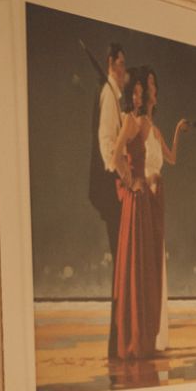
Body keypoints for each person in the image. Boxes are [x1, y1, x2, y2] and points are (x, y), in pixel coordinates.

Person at [108, 70, 163, 361]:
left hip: (141, 201)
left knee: (141, 265)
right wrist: (130, 181)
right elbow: (115, 157)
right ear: (130, 95)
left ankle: (141, 338)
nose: (140, 97)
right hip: (135, 199)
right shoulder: (129, 121)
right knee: (134, 264)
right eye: (137, 93)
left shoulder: (139, 121)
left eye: (143, 92)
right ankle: (133, 340)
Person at [142, 68, 189, 352]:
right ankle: (147, 333)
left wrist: (177, 131)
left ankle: (158, 335)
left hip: (158, 196)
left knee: (158, 256)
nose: (154, 88)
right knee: (148, 258)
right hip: (146, 196)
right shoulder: (138, 124)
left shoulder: (156, 129)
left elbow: (170, 159)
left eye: (154, 84)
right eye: (149, 84)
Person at [89, 43, 125, 356]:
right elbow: (105, 141)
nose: (125, 71)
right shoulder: (108, 94)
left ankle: (121, 333)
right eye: (122, 64)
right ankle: (118, 336)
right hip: (112, 189)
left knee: (121, 260)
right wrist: (117, 175)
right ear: (111, 63)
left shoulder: (114, 95)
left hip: (114, 186)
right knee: (119, 259)